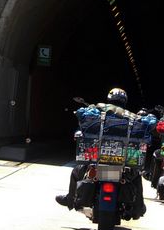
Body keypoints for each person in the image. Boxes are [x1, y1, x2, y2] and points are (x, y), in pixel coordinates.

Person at [55, 87, 147, 218]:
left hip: (99, 159)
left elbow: (85, 128)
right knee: (136, 176)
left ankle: (70, 199)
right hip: (122, 162)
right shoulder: (131, 117)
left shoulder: (98, 113)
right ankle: (138, 208)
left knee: (76, 171)